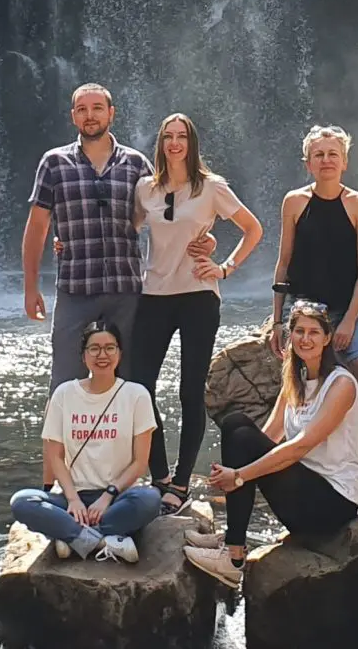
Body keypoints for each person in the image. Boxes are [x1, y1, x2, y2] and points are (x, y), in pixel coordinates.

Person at [128, 113, 262, 513]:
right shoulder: (145, 189)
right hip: (153, 293)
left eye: (181, 136)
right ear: (161, 143)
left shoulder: (211, 187)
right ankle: (159, 476)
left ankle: (181, 484)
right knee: (140, 388)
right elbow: (126, 231)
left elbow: (253, 229)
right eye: (168, 136)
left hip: (199, 296)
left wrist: (224, 267)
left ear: (192, 142)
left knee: (190, 391)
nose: (174, 143)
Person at [185, 299, 358, 589]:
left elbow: (299, 447)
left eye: (314, 332)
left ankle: (232, 556)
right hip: (303, 493)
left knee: (242, 439)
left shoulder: (341, 384)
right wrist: (237, 472)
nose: (305, 339)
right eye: (299, 331)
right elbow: (267, 438)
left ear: (327, 338)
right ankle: (234, 541)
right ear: (290, 336)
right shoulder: (295, 378)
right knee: (236, 424)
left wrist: (240, 475)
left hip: (332, 504)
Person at [21, 84, 150, 386]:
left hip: (126, 290)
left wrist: (203, 238)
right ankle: (60, 435)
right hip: (75, 288)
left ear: (111, 113)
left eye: (97, 108)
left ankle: (133, 436)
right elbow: (37, 227)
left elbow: (164, 217)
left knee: (131, 381)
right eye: (82, 110)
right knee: (65, 381)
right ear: (73, 117)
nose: (90, 115)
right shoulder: (54, 163)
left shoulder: (136, 164)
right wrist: (30, 287)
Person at [10, 320, 163, 562]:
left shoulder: (136, 395)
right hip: (73, 497)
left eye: (110, 347)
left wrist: (107, 497)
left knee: (150, 499)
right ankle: (102, 539)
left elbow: (140, 463)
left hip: (117, 498)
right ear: (83, 356)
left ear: (120, 353)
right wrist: (72, 499)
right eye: (94, 348)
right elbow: (55, 456)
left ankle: (72, 536)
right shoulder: (64, 394)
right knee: (22, 501)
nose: (102, 355)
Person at [268, 125, 358, 391]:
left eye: (332, 154)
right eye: (318, 155)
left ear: (344, 162)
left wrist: (350, 320)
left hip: (345, 312)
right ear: (308, 164)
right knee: (309, 388)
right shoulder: (294, 202)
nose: (326, 160)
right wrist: (278, 321)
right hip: (303, 314)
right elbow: (284, 262)